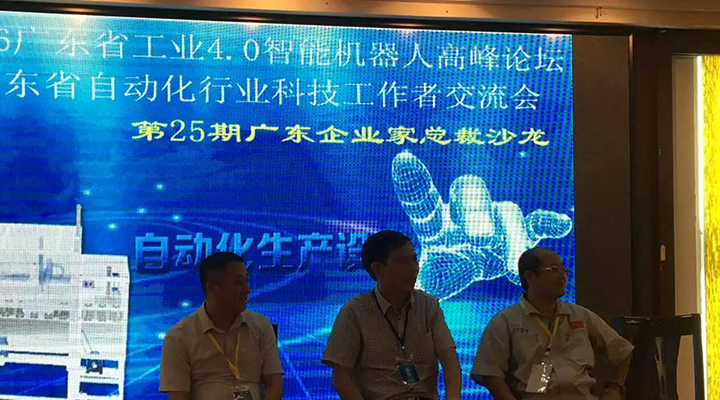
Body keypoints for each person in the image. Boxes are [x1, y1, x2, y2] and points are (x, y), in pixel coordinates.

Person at [471, 247, 633, 400]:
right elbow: (490, 374)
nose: (562, 276)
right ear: (529, 276)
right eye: (553, 270)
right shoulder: (506, 320)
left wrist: (614, 388)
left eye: (563, 270)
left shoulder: (580, 315)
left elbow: (622, 351)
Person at [322, 230, 462, 400]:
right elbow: (341, 377)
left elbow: (450, 362)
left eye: (414, 260)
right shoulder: (354, 312)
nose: (414, 268)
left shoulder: (428, 305)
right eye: (404, 262)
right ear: (377, 269)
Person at [159, 252, 283, 400]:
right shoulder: (179, 336)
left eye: (246, 281)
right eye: (239, 283)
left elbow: (274, 383)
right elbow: (179, 396)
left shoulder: (261, 326)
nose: (247, 290)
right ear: (212, 289)